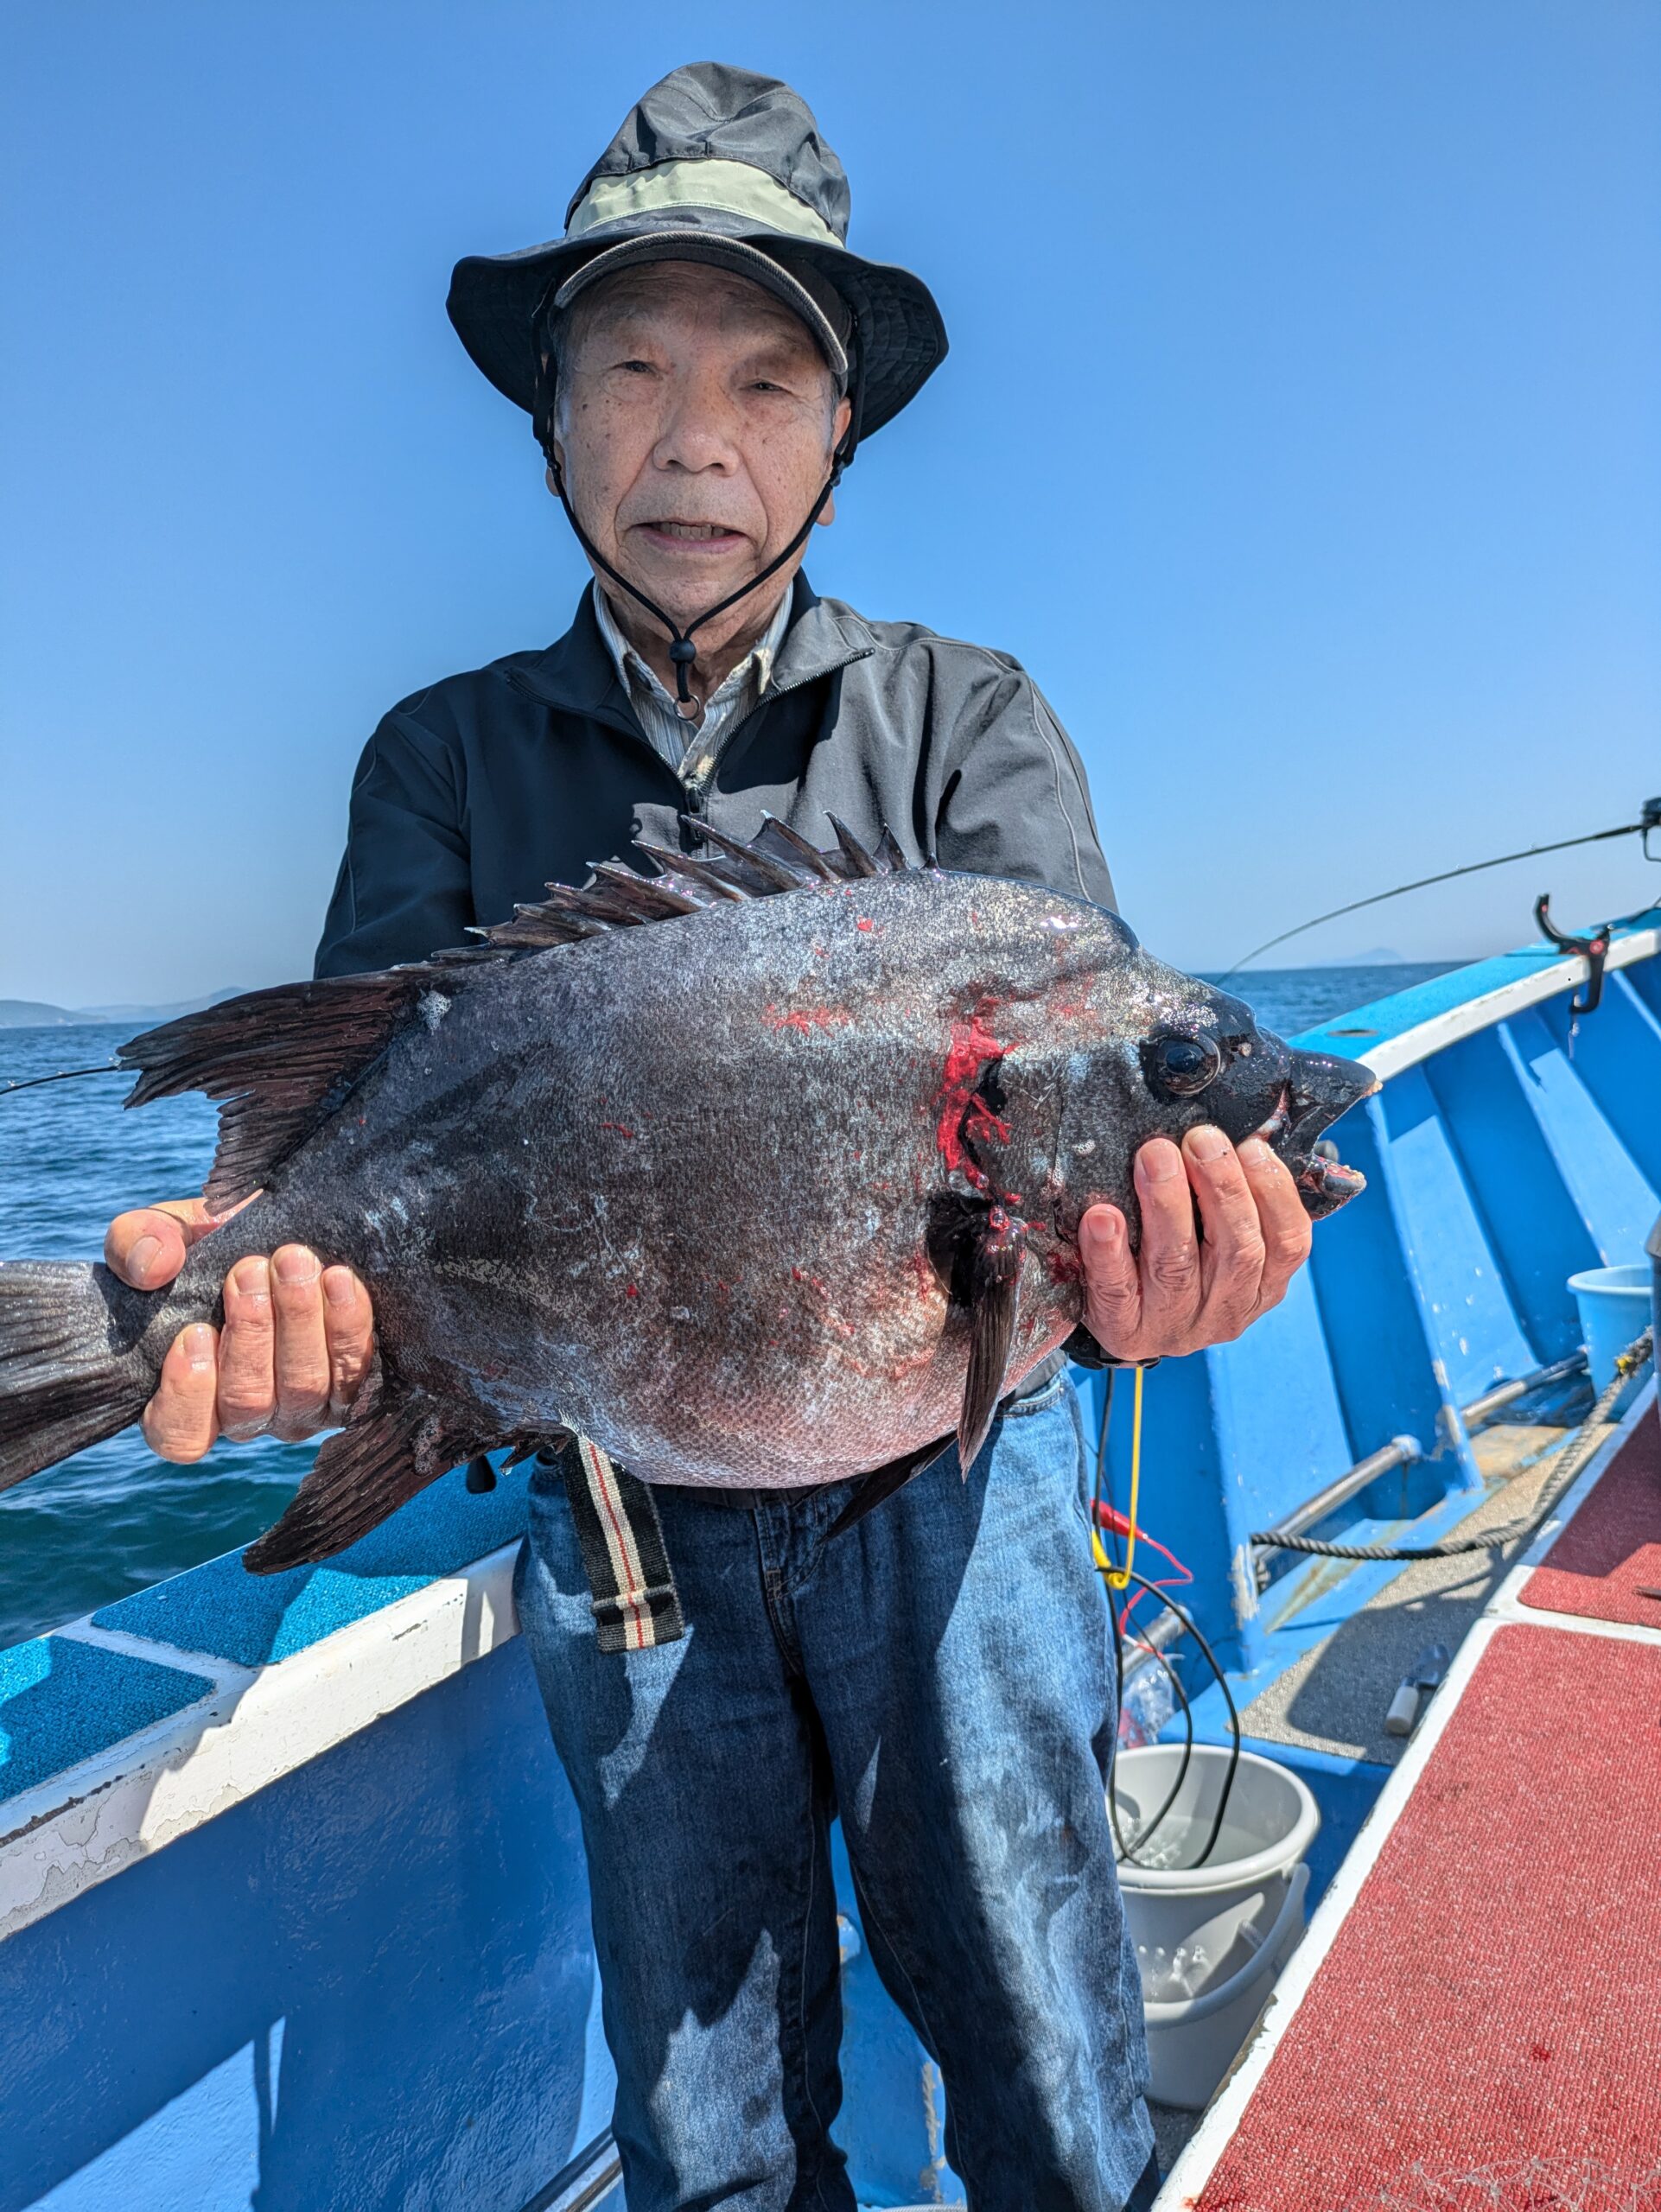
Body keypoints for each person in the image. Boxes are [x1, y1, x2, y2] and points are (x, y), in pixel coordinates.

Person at [104, 66, 1313, 2212]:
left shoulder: (971, 719)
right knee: (710, 2116)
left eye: (765, 383)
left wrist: (1174, 1261)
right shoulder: (441, 756)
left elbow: (1080, 1154)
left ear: (837, 453)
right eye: (633, 371)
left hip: (961, 1495)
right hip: (617, 1517)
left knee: (1045, 2037)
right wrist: (262, 1283)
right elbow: (331, 1160)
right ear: (548, 422)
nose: (694, 436)